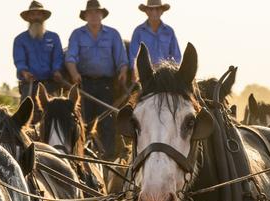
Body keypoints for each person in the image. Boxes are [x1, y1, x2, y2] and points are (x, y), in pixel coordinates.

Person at [66, 0, 128, 159]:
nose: (93, 15)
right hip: (84, 84)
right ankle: (82, 157)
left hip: (106, 84)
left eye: (96, 12)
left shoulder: (113, 34)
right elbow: (70, 58)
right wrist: (74, 74)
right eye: (90, 13)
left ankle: (108, 160)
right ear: (85, 16)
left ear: (102, 15)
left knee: (107, 123)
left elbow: (122, 59)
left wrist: (123, 73)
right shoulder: (77, 34)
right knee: (83, 122)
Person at [13, 1, 64, 110]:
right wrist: (25, 72)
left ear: (43, 17)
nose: (36, 17)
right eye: (33, 14)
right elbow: (19, 61)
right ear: (28, 18)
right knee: (25, 118)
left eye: (38, 14)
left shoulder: (53, 37)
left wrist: (56, 70)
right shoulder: (20, 39)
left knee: (57, 116)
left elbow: (58, 58)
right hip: (30, 85)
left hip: (50, 85)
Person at [129, 0, 181, 82]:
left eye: (157, 9)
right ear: (146, 11)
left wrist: (173, 72)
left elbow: (176, 55)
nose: (154, 12)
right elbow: (133, 55)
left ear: (162, 11)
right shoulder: (138, 31)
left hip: (165, 76)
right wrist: (134, 72)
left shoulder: (169, 31)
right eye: (151, 9)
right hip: (146, 75)